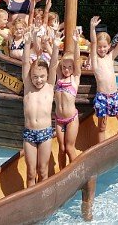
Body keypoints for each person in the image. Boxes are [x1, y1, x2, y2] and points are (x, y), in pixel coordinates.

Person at [21, 28, 57, 187]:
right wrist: (27, 43)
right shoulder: (28, 86)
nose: (38, 80)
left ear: (47, 76)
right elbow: (24, 62)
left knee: (43, 170)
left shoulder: (49, 86)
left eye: (42, 76)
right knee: (30, 171)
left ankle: (43, 198)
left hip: (45, 133)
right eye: (35, 77)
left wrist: (55, 46)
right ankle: (29, 201)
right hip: (29, 133)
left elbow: (54, 64)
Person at [52, 27, 82, 169]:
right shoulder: (59, 77)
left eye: (69, 67)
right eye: (64, 67)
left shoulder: (74, 79)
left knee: (70, 148)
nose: (66, 70)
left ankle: (75, 172)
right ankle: (62, 174)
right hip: (59, 119)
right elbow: (55, 62)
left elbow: (76, 60)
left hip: (71, 119)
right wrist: (56, 45)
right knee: (61, 149)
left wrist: (76, 43)